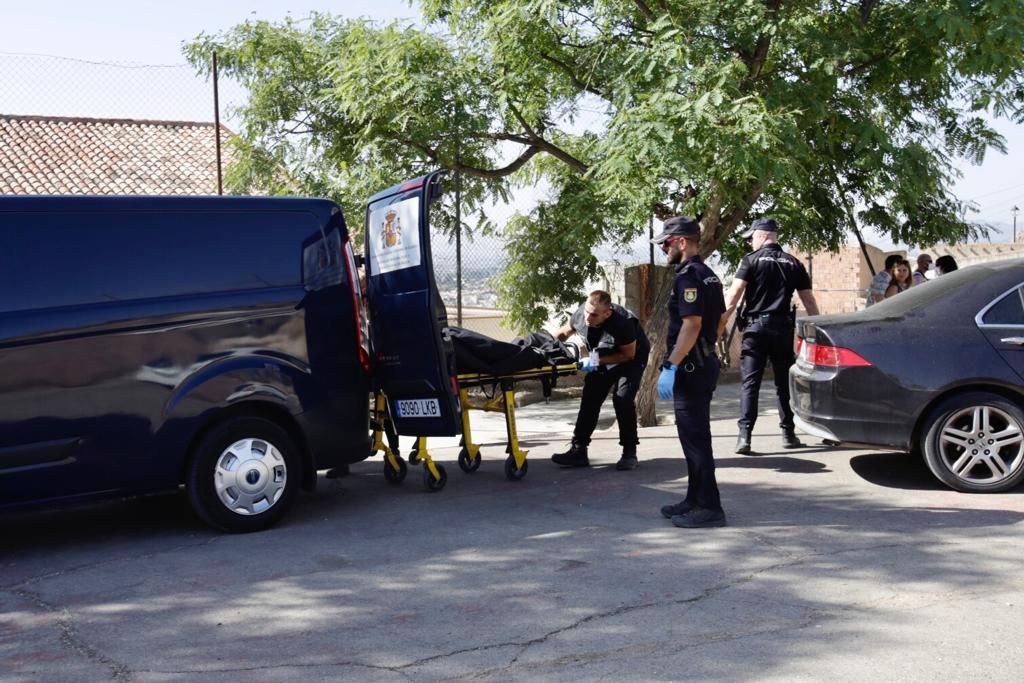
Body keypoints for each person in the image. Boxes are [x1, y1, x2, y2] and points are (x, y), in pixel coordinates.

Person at [652, 216, 728, 529]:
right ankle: (694, 499)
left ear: (682, 242)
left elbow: (692, 324)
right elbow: (721, 319)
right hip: (703, 362)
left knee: (696, 439)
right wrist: (708, 346)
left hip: (691, 367)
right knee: (692, 437)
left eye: (667, 243)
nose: (664, 249)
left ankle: (710, 507)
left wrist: (671, 364)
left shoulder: (688, 277)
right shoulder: (708, 274)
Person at [723, 218, 820, 455]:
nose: (750, 243)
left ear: (762, 235)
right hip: (782, 329)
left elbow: (734, 294)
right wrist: (819, 328)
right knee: (782, 384)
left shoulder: (751, 260)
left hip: (755, 329)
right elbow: (808, 300)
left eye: (752, 237)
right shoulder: (793, 263)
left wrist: (720, 324)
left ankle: (744, 437)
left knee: (750, 383)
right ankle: (788, 434)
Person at [551, 290, 651, 470]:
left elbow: (627, 355)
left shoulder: (623, 323)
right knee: (590, 397)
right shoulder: (582, 315)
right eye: (587, 312)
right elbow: (563, 333)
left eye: (594, 315)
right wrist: (547, 348)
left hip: (631, 359)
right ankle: (578, 450)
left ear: (607, 313)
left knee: (622, 400)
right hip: (603, 355)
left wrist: (594, 361)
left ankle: (629, 453)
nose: (588, 318)